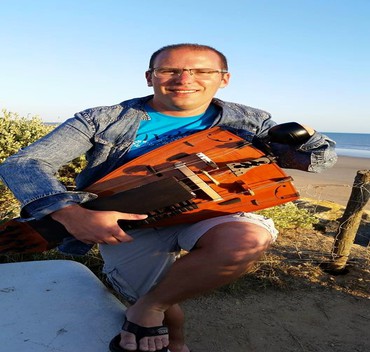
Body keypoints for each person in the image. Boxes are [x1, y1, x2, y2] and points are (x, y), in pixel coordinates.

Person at [0, 43, 337, 352]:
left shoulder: (250, 120)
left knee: (243, 240)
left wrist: (310, 142)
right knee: (152, 294)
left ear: (224, 79)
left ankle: (150, 312)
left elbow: (312, 162)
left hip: (213, 212)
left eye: (202, 71)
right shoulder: (102, 119)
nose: (184, 79)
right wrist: (71, 214)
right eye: (169, 70)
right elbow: (24, 163)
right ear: (150, 77)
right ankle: (174, 338)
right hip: (126, 222)